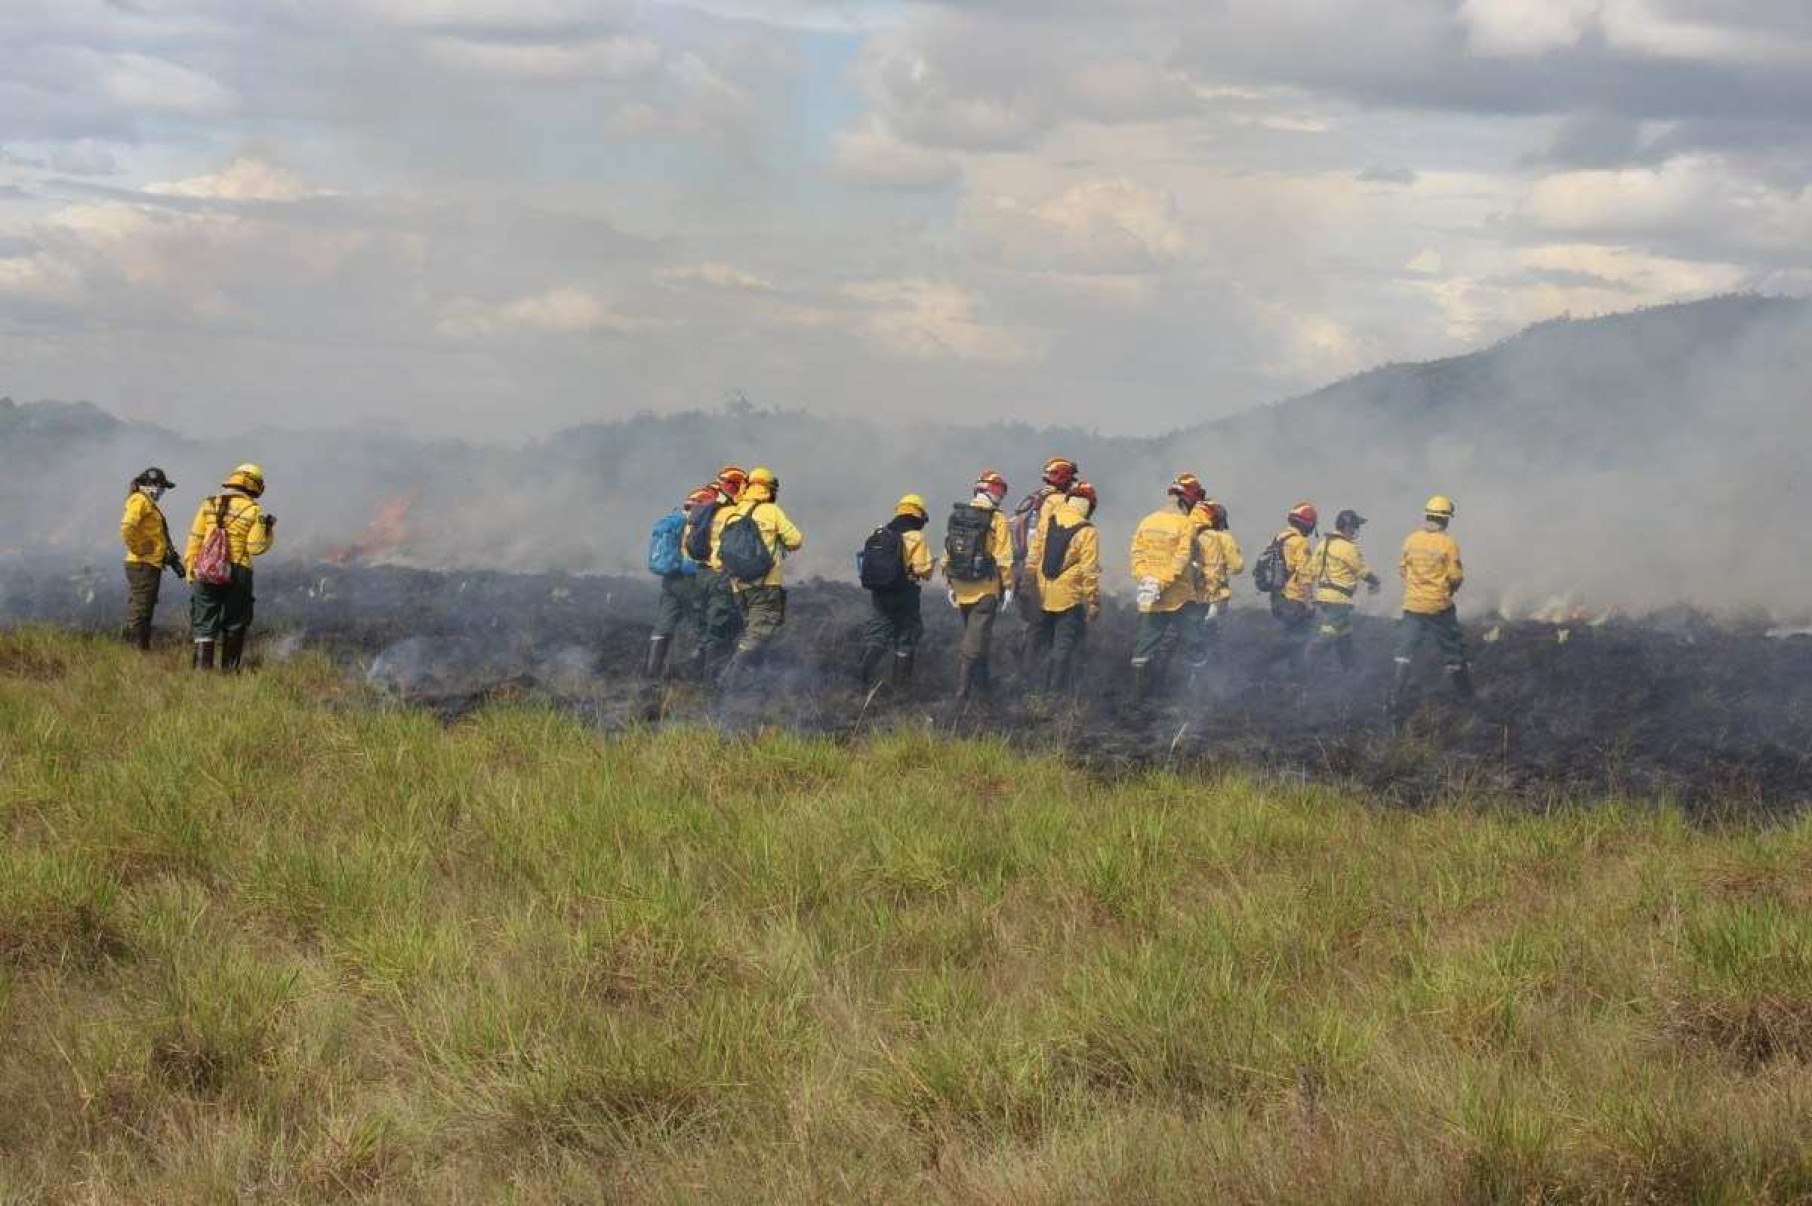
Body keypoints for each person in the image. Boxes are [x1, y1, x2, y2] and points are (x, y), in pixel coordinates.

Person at [718, 465, 804, 688]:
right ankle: (727, 680)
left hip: (738, 586)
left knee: (752, 630)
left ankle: (752, 684)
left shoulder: (733, 513)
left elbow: (719, 556)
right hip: (766, 583)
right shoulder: (771, 511)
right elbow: (795, 540)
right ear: (769, 489)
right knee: (759, 633)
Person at [185, 463, 274, 671]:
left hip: (206, 569)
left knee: (204, 619)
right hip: (238, 571)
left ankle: (201, 673)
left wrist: (191, 568)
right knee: (235, 621)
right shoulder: (253, 510)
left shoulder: (208, 503)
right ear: (254, 485)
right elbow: (255, 547)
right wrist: (267, 529)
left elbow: (195, 539)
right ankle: (229, 672)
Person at [1128, 473, 1207, 699]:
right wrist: (1162, 582)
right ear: (1187, 498)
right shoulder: (1185, 524)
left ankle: (1139, 697)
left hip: (1151, 596)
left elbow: (1136, 554)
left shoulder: (1147, 521)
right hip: (1180, 597)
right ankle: (1195, 695)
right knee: (1195, 643)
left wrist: (1145, 580)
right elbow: (1181, 559)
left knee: (1144, 647)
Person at [942, 470, 1014, 700]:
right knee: (974, 641)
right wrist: (1009, 586)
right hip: (986, 589)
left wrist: (950, 585)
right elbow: (1004, 557)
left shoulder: (959, 515)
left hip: (962, 587)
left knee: (977, 636)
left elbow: (948, 554)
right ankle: (961, 694)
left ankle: (983, 690)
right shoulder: (997, 518)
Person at [1393, 494, 1472, 704]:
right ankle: (1466, 697)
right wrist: (1448, 589)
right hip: (1439, 606)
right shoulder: (1448, 543)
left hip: (1412, 605)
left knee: (1405, 651)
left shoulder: (1410, 540)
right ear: (1445, 519)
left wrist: (1417, 586)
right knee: (1453, 649)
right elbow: (1456, 576)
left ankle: (1395, 695)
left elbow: (1402, 569)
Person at [856, 494, 936, 687]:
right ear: (919, 514)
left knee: (878, 633)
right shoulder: (916, 536)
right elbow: (922, 570)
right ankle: (901, 689)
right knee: (907, 635)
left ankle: (861, 680)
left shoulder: (881, 531)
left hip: (880, 591)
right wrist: (931, 565)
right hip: (905, 593)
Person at [1010, 457, 1079, 674]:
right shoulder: (1059, 502)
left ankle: (1025, 668)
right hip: (1044, 572)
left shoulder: (1033, 500)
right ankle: (1034, 676)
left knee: (1032, 624)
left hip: (1023, 569)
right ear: (1065, 479)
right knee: (1044, 625)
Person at [646, 485, 717, 680]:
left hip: (669, 579)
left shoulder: (675, 519)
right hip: (688, 579)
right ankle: (698, 676)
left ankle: (651, 675)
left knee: (663, 624)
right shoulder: (698, 522)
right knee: (702, 623)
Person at [1035, 480, 1100, 694]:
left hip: (1043, 593)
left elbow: (1035, 551)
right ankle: (1055, 693)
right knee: (1064, 646)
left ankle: (1036, 687)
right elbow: (1089, 571)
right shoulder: (1087, 531)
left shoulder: (1051, 518)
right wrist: (1093, 601)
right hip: (1068, 598)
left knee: (1043, 642)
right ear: (1089, 506)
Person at [1304, 509, 1381, 671]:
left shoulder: (1323, 544)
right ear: (1347, 527)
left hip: (1323, 595)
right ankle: (1305, 667)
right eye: (1354, 526)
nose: (1355, 530)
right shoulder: (1348, 548)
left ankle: (1351, 670)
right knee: (1327, 635)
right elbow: (1361, 571)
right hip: (1339, 599)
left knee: (1344, 638)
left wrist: (1309, 597)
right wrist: (1375, 581)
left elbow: (1310, 571)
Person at [119, 467, 185, 650]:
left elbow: (154, 534)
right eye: (161, 486)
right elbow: (126, 527)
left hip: (148, 563)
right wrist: (139, 548)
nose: (162, 491)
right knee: (141, 608)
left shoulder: (146, 501)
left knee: (143, 605)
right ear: (151, 485)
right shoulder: (140, 500)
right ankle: (135, 648)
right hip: (142, 563)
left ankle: (140, 648)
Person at [692, 465, 748, 680]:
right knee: (719, 626)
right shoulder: (730, 512)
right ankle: (711, 681)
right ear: (733, 485)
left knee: (706, 623)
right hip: (720, 574)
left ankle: (698, 675)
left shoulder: (706, 508)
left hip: (703, 573)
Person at [1258, 502, 1318, 675]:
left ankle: (1297, 673)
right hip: (1294, 599)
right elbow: (1305, 576)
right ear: (1308, 524)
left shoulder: (1279, 538)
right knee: (1298, 637)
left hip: (1278, 597)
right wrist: (1309, 603)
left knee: (1293, 635)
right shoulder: (1300, 543)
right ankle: (1262, 663)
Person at [1188, 498, 1243, 671]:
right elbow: (1238, 566)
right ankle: (1212, 668)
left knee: (1194, 631)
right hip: (1218, 596)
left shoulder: (1194, 535)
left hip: (1194, 595)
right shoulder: (1225, 538)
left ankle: (1192, 664)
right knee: (1213, 633)